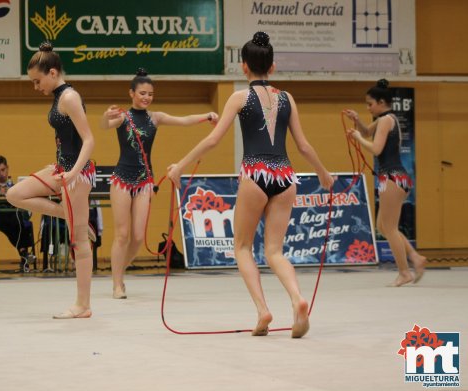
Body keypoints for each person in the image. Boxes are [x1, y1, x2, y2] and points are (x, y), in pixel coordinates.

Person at [167, 32, 334, 338]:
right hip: (285, 176)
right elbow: (305, 146)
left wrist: (180, 165)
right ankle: (297, 299)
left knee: (243, 247)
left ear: (243, 67)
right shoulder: (287, 98)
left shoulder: (239, 98)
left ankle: (262, 310)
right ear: (272, 67)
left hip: (255, 174)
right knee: (275, 251)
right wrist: (323, 173)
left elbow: (213, 139)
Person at [100, 68, 219, 299]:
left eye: (150, 94)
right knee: (122, 235)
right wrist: (106, 115)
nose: (146, 97)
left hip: (145, 181)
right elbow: (105, 126)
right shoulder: (123, 117)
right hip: (122, 180)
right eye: (142, 93)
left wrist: (206, 116)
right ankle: (117, 284)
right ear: (132, 93)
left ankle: (119, 272)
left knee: (137, 237)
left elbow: (183, 121)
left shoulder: (155, 118)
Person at [6, 41, 95, 319]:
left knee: (79, 242)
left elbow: (90, 140)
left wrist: (73, 172)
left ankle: (83, 305)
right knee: (15, 194)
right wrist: (59, 166)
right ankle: (69, 216)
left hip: (77, 174)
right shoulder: (58, 97)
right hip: (62, 169)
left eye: (37, 81)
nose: (36, 87)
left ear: (53, 73)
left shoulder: (69, 97)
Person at [344, 79, 426, 287]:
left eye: (370, 104)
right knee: (384, 225)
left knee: (389, 228)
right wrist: (357, 122)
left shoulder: (386, 120)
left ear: (381, 102)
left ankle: (404, 272)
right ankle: (416, 258)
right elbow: (367, 132)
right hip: (394, 177)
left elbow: (376, 148)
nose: (368, 108)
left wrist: (356, 138)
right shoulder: (387, 119)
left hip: (392, 178)